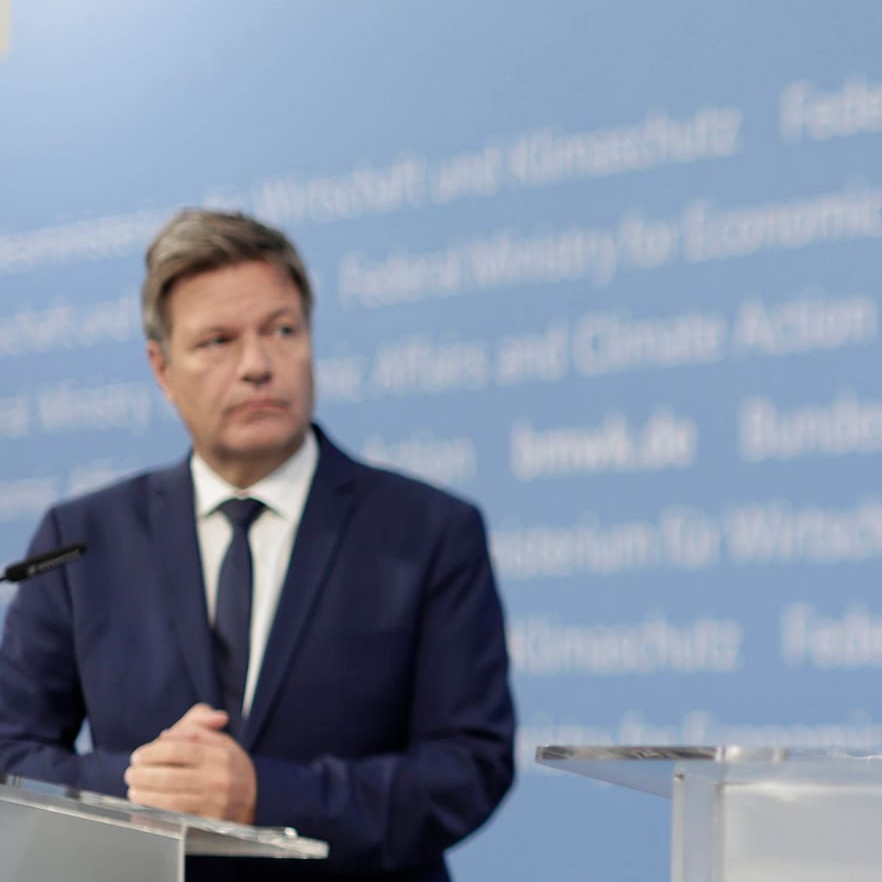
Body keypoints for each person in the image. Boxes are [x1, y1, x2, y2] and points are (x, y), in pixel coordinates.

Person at [0, 209, 515, 880]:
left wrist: (265, 797)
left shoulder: (430, 530)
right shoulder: (80, 539)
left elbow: (468, 766)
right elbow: (10, 750)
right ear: (161, 368)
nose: (257, 365)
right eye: (217, 341)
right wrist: (146, 784)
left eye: (281, 330)